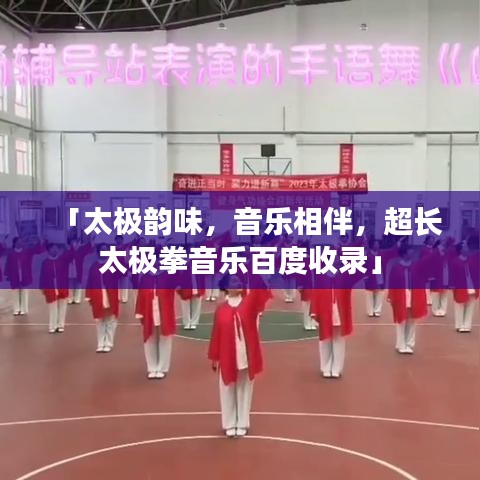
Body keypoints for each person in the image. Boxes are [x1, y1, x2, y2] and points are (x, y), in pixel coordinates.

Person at [208, 274, 271, 438]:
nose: (236, 284)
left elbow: (261, 291)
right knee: (227, 388)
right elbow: (216, 333)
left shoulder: (249, 303)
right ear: (226, 287)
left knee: (244, 388)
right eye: (232, 281)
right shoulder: (221, 309)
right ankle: (229, 423)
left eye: (238, 281)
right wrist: (215, 357)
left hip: (245, 353)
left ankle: (242, 422)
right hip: (226, 353)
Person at [309, 265, 366, 379]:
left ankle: (336, 368)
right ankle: (325, 367)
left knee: (338, 338)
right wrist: (314, 310)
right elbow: (316, 291)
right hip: (325, 310)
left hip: (339, 310)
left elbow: (359, 274)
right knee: (325, 339)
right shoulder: (321, 273)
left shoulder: (345, 274)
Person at [388, 243, 436, 354]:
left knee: (412, 320)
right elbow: (392, 284)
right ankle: (401, 344)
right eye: (410, 250)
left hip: (413, 296)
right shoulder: (396, 268)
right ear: (404, 253)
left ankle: (409, 343)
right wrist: (391, 297)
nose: (413, 252)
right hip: (401, 296)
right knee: (401, 320)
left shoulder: (415, 266)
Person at [135, 272, 176, 379]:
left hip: (165, 311)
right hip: (149, 310)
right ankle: (152, 367)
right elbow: (141, 294)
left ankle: (162, 368)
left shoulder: (168, 275)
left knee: (165, 338)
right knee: (150, 338)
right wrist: (139, 311)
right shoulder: (145, 276)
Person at [85, 243, 120, 353]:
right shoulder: (94, 266)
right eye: (102, 250)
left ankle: (109, 343)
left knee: (110, 320)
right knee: (99, 320)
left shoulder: (112, 265)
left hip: (111, 295)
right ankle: (100, 343)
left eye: (106, 250)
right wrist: (88, 296)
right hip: (97, 295)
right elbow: (90, 281)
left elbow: (118, 275)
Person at [5, 237, 45, 316]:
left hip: (25, 275)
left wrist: (41, 241)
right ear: (15, 243)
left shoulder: (27, 251)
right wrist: (7, 274)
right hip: (14, 276)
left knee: (24, 292)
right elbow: (8, 264)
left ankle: (23, 309)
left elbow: (38, 250)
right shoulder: (11, 253)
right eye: (19, 241)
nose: (20, 243)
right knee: (15, 293)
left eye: (21, 241)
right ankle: (16, 309)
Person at [364, 238, 402, 317]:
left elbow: (391, 251)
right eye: (376, 244)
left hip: (380, 276)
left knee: (379, 293)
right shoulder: (367, 254)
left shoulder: (382, 253)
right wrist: (365, 276)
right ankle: (370, 311)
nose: (378, 245)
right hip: (370, 277)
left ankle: (377, 311)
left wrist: (398, 243)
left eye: (378, 244)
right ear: (372, 245)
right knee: (370, 294)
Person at [40, 243, 71, 334]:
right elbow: (42, 276)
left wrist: (70, 248)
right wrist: (42, 287)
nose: (55, 250)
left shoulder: (62, 260)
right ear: (48, 250)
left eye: (56, 248)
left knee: (62, 307)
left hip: (62, 286)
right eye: (53, 248)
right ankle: (52, 326)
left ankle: (60, 325)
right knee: (53, 307)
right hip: (51, 287)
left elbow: (70, 255)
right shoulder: (45, 262)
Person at [449, 241, 479, 333]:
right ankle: (459, 325)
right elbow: (452, 274)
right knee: (459, 306)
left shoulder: (471, 260)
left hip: (472, 285)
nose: (467, 248)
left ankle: (467, 325)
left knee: (470, 306)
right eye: (465, 247)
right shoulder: (455, 261)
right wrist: (452, 285)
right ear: (461, 250)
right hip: (460, 286)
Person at [67, 236, 94, 304]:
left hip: (78, 270)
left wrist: (91, 240)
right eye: (72, 242)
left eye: (75, 242)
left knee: (78, 284)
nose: (74, 243)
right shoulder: (66, 250)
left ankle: (77, 298)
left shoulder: (80, 250)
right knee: (70, 284)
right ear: (69, 243)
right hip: (69, 270)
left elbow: (89, 248)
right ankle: (70, 298)